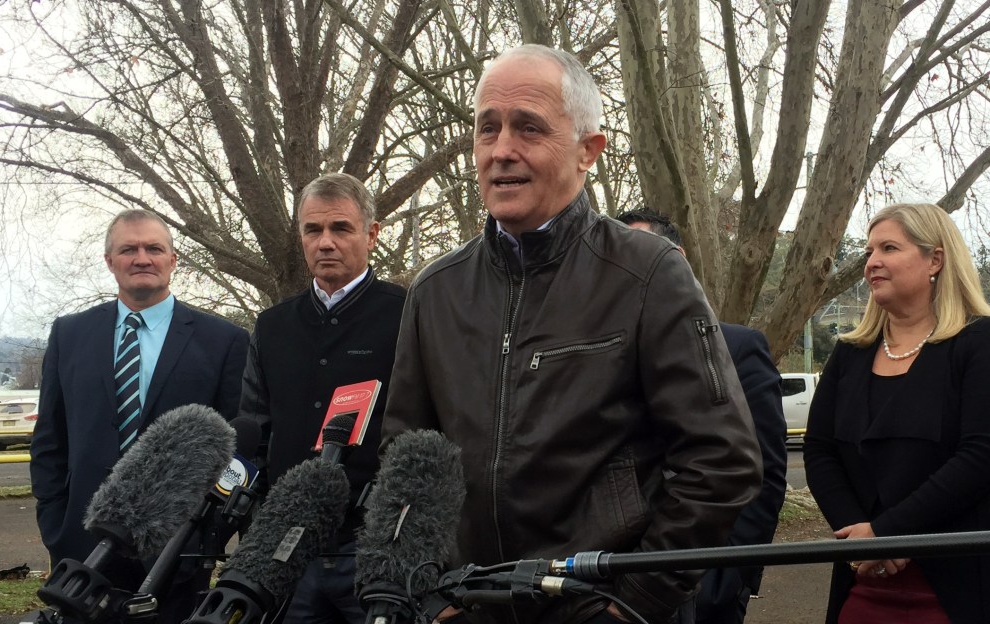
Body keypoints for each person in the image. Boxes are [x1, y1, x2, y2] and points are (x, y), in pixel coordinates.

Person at [382, 44, 762, 624]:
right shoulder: (435, 291)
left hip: (600, 606)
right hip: (469, 608)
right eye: (488, 128)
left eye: (528, 127)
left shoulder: (648, 272)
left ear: (589, 150)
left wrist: (634, 602)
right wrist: (431, 597)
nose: (502, 150)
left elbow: (722, 459)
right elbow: (406, 462)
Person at [30, 209, 249, 622]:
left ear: (173, 259)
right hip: (81, 547)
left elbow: (236, 451)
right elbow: (50, 442)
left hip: (176, 553)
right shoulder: (69, 334)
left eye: (154, 248)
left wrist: (206, 538)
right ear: (110, 261)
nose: (141, 258)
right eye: (128, 249)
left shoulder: (225, 341)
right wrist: (55, 527)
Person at [803, 203, 990, 623]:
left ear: (935, 260)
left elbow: (980, 456)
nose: (872, 263)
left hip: (956, 585)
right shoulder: (850, 353)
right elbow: (818, 450)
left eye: (889, 248)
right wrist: (862, 539)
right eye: (869, 252)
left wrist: (889, 534)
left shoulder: (978, 343)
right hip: (864, 582)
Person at [239, 173, 406, 624]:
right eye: (313, 230)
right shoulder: (272, 327)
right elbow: (254, 430)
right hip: (289, 552)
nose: (325, 242)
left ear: (371, 234)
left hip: (373, 549)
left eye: (341, 228)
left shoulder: (409, 314)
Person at [616, 209, 787, 624]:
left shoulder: (738, 346)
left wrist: (729, 578)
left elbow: (763, 474)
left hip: (706, 584)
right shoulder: (595, 357)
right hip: (610, 587)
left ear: (677, 258)